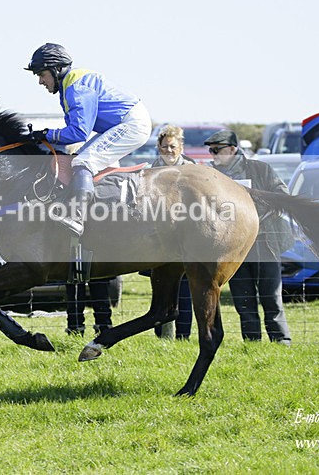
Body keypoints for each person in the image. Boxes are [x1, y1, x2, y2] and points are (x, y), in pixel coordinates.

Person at [23, 43, 152, 236]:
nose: (41, 81)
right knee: (77, 160)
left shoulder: (76, 87)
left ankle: (77, 216)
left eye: (42, 74)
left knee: (83, 162)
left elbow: (78, 133)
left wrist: (46, 134)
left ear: (57, 69)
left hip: (132, 124)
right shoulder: (68, 85)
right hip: (120, 124)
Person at [205, 129, 292, 345]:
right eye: (211, 150)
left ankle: (281, 341)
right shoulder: (210, 177)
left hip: (263, 241)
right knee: (243, 300)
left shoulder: (260, 169)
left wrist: (255, 211)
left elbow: (282, 196)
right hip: (232, 247)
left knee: (271, 297)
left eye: (217, 150)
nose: (213, 154)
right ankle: (252, 344)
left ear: (233, 149)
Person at [150, 125, 195, 340]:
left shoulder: (192, 169)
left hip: (186, 238)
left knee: (185, 290)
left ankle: (183, 336)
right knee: (161, 286)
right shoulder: (150, 170)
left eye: (173, 146)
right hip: (159, 239)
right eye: (165, 146)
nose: (169, 150)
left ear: (181, 147)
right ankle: (162, 337)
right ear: (158, 147)